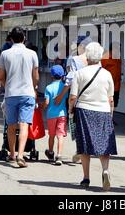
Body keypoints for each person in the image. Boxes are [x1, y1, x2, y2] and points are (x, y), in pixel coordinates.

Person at [68, 42, 117, 191]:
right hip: (103, 111)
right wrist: (111, 115)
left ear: (87, 56)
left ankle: (86, 178)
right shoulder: (107, 74)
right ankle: (105, 170)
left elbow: (73, 97)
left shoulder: (80, 73)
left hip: (84, 111)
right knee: (104, 145)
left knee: (85, 146)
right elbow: (111, 99)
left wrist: (71, 110)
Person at [0, 27, 39, 168]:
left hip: (11, 94)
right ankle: (21, 155)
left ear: (11, 39)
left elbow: (1, 77)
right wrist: (34, 88)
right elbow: (36, 76)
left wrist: (7, 85)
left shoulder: (4, 54)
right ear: (24, 38)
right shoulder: (32, 54)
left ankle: (12, 154)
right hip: (27, 93)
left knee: (10, 125)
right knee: (24, 125)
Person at [54, 35, 91, 163]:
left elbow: (70, 79)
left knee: (76, 123)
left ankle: (80, 150)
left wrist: (62, 96)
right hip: (93, 96)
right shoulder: (95, 59)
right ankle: (84, 149)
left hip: (78, 95)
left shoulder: (74, 59)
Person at [42, 65, 68, 166]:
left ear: (52, 76)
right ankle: (59, 155)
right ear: (62, 76)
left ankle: (51, 153)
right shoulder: (64, 86)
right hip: (62, 114)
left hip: (51, 115)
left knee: (51, 135)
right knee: (60, 135)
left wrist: (42, 107)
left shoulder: (48, 87)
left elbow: (47, 102)